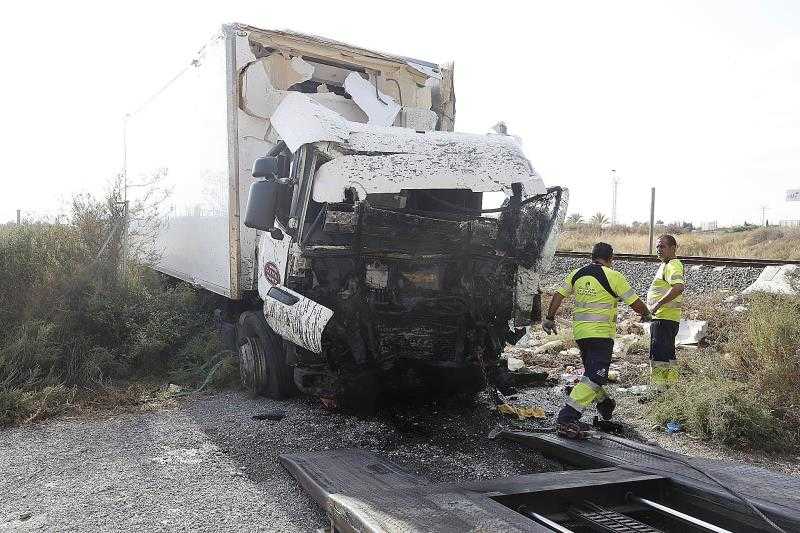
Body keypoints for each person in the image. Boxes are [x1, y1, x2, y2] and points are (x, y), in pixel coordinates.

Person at [543, 242, 650, 439]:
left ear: (592, 256)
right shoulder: (614, 276)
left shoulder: (577, 274)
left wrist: (550, 318)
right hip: (601, 335)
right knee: (595, 376)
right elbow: (635, 303)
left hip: (581, 335)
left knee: (591, 374)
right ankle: (567, 416)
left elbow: (558, 295)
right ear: (611, 259)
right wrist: (646, 313)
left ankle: (605, 403)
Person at [646, 234, 685, 387]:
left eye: (662, 246)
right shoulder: (667, 264)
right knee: (668, 356)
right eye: (657, 247)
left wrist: (657, 305)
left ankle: (658, 389)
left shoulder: (673, 265)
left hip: (663, 318)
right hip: (666, 319)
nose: (658, 250)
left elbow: (678, 287)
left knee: (659, 357)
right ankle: (671, 387)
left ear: (673, 248)